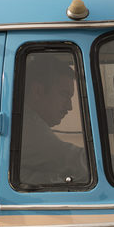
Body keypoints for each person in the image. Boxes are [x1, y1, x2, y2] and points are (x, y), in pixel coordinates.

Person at [18, 53, 90, 187]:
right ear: (38, 91)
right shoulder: (27, 128)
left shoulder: (23, 122)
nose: (69, 107)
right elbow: (70, 161)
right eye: (64, 95)